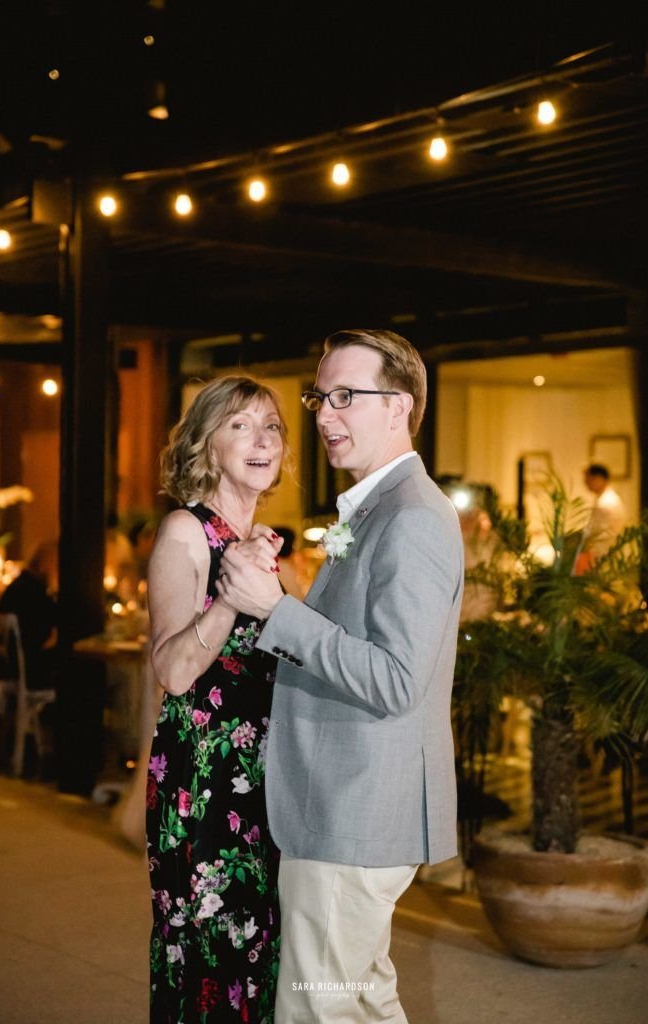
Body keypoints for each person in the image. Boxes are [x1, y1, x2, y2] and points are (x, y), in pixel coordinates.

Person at [218, 330, 464, 1023]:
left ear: (400, 406)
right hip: (348, 801)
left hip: (353, 806)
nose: (324, 415)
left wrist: (277, 611)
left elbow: (393, 678)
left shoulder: (412, 516)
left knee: (314, 1009)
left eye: (347, 396)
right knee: (360, 999)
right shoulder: (376, 508)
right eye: (320, 397)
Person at [146, 375, 287, 1024]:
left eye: (272, 427)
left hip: (260, 780)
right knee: (204, 950)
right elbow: (172, 671)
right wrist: (232, 595)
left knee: (255, 950)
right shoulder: (185, 532)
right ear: (206, 442)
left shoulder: (259, 541)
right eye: (241, 425)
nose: (263, 439)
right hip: (201, 782)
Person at [0, 540, 59, 689]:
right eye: (56, 565)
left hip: (16, 667)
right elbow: (43, 638)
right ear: (46, 565)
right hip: (36, 670)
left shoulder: (15, 587)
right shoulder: (35, 593)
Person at [573, 463, 626, 575]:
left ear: (598, 479)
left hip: (604, 552)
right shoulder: (608, 498)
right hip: (606, 552)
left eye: (588, 480)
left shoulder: (606, 503)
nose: (586, 484)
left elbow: (595, 532)